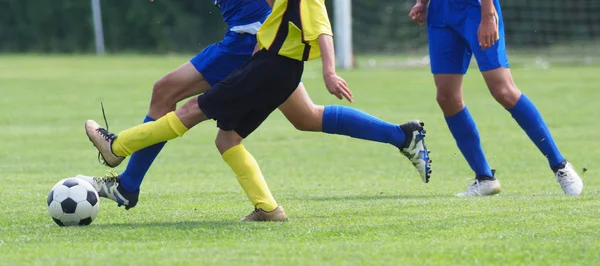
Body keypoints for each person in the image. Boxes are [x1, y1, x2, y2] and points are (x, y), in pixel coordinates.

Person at [83, 0, 431, 222]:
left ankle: (125, 174)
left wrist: (326, 68)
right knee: (304, 117)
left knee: (169, 95)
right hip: (268, 46)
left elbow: (315, 22)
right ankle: (402, 135)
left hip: (249, 41)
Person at [408, 0, 582, 196]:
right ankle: (484, 178)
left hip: (476, 9)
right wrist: (422, 3)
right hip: (440, 12)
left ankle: (560, 166)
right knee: (446, 97)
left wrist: (488, 15)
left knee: (503, 91)